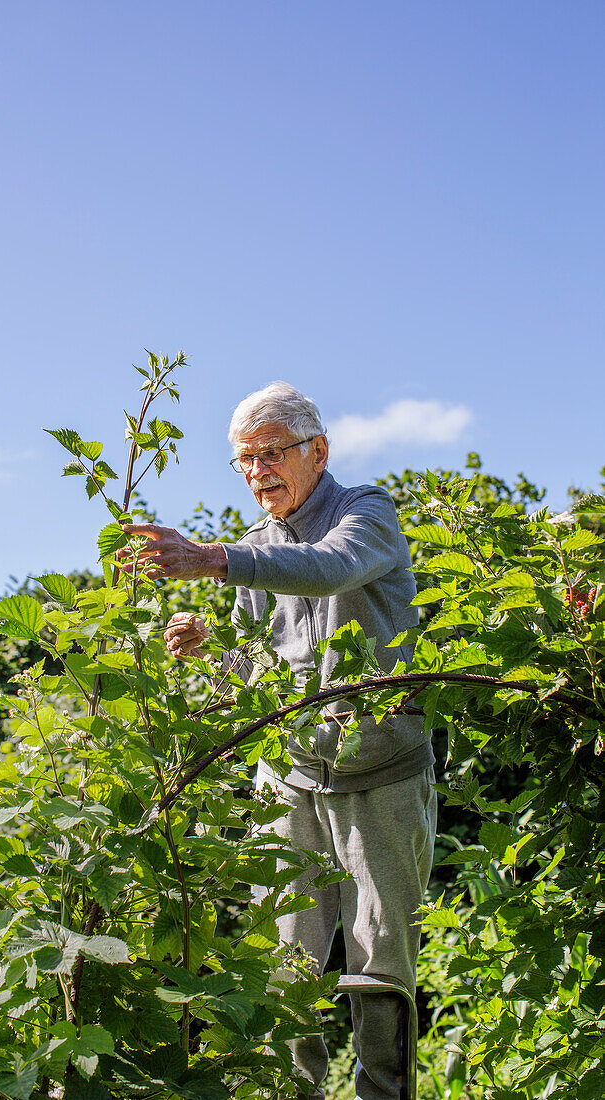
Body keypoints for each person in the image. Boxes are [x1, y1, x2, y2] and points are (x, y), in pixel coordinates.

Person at [120, 382, 436, 1100]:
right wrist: (213, 651)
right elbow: (261, 681)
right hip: (293, 779)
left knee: (380, 968)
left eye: (271, 453)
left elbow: (333, 570)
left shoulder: (368, 513)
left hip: (381, 773)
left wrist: (211, 559)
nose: (258, 471)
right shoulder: (255, 551)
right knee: (282, 965)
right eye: (243, 460)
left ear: (317, 452)